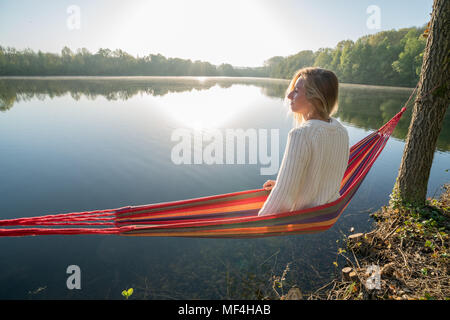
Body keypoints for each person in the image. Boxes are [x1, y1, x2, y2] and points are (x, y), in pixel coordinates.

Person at [258, 67, 349, 216]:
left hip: (305, 216)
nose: (289, 95)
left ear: (315, 98)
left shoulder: (301, 135)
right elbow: (326, 174)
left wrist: (258, 224)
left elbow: (283, 198)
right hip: (329, 210)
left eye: (296, 91)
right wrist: (282, 183)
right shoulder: (341, 131)